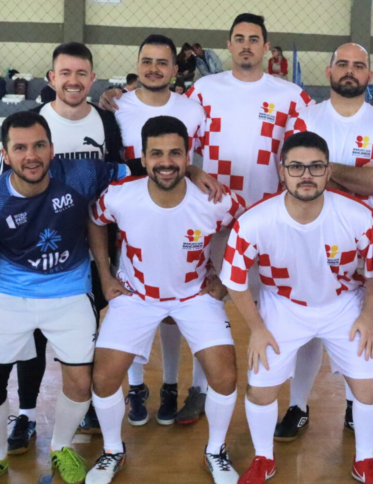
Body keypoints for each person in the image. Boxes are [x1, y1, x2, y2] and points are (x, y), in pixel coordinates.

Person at [99, 13, 315, 424]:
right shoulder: (202, 92)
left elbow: (318, 131)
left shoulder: (292, 96)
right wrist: (121, 92)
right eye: (239, 38)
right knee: (204, 298)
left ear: (267, 48)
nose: (247, 45)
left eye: (255, 39)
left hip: (270, 219)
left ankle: (281, 398)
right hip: (212, 216)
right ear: (229, 46)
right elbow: (168, 123)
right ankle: (198, 389)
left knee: (275, 305)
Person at [0, 112, 128, 484]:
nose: (31, 155)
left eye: (39, 145)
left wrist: (195, 172)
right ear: (5, 154)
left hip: (70, 292)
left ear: (52, 149)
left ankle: (61, 446)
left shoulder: (81, 176)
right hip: (11, 295)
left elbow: (146, 165)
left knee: (80, 382)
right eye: (20, 148)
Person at [221, 131, 373, 484]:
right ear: (281, 172)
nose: (306, 175)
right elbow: (235, 282)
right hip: (283, 307)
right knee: (261, 389)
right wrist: (258, 329)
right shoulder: (254, 220)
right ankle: (263, 458)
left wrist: (367, 317)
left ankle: (366, 461)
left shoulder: (358, 216)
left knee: (370, 388)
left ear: (329, 172)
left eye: (316, 166)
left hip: (343, 305)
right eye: (296, 167)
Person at [85, 116, 246, 484]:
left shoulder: (213, 199)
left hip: (194, 296)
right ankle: (113, 451)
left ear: (188, 156)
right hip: (136, 296)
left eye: (175, 153)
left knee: (225, 375)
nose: (166, 161)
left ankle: (215, 451)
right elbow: (95, 219)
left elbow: (247, 226)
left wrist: (225, 279)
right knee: (104, 378)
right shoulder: (121, 194)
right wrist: (106, 275)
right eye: (156, 153)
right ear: (143, 157)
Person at [0, 42, 124, 445]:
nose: (73, 80)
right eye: (64, 73)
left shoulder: (106, 123)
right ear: (52, 79)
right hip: (37, 252)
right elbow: (6, 189)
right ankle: (25, 413)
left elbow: (117, 184)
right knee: (32, 336)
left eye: (81, 73)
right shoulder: (32, 120)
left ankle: (81, 401)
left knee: (85, 329)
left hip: (89, 249)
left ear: (92, 78)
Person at [281, 42, 373, 445]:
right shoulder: (305, 116)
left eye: (359, 66)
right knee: (308, 325)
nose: (350, 71)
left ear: (369, 76)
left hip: (366, 243)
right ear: (330, 72)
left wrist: (323, 174)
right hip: (307, 234)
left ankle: (357, 408)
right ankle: (297, 406)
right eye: (343, 64)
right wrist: (354, 176)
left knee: (363, 322)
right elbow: (291, 175)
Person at [109, 33, 223, 428]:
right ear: (137, 64)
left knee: (174, 303)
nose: (154, 68)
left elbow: (193, 160)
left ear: (175, 69)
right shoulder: (117, 106)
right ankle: (137, 384)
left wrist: (192, 169)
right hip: (132, 218)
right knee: (134, 298)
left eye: (162, 62)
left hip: (178, 215)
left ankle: (172, 384)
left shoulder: (192, 110)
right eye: (147, 61)